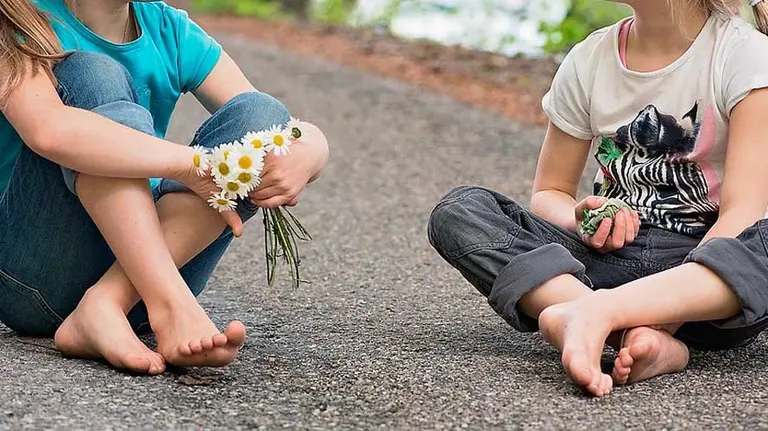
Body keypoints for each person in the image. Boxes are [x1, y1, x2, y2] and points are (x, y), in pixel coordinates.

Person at [428, 0, 768, 397]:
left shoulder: (746, 56)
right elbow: (549, 192)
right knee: (461, 211)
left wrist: (661, 317)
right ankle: (608, 323)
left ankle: (593, 315)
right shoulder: (590, 58)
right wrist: (583, 219)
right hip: (602, 262)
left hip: (707, 289)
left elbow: (741, 214)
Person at [0, 0, 329, 374]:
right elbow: (49, 131)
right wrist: (190, 165)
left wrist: (314, 148)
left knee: (260, 113)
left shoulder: (168, 30)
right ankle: (171, 305)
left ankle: (107, 302)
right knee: (91, 73)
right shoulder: (17, 16)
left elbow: (272, 124)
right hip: (35, 277)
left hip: (145, 288)